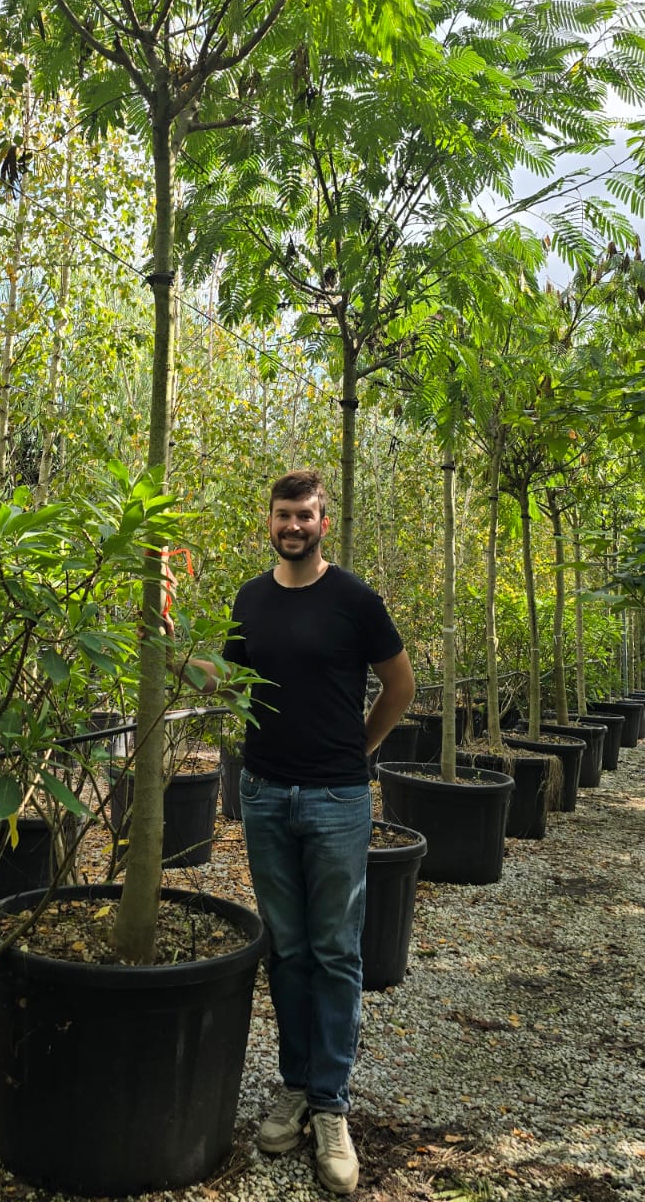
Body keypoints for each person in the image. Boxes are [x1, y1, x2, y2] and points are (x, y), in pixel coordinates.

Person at [209, 469, 415, 1196]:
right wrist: (168, 641)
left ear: (325, 523)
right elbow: (226, 681)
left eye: (305, 515)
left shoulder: (355, 600)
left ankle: (331, 1105)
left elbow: (400, 685)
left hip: (336, 799)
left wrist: (358, 750)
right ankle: (294, 1088)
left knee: (335, 951)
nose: (293, 526)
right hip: (263, 794)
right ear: (268, 521)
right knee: (288, 948)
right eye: (283, 515)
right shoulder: (251, 599)